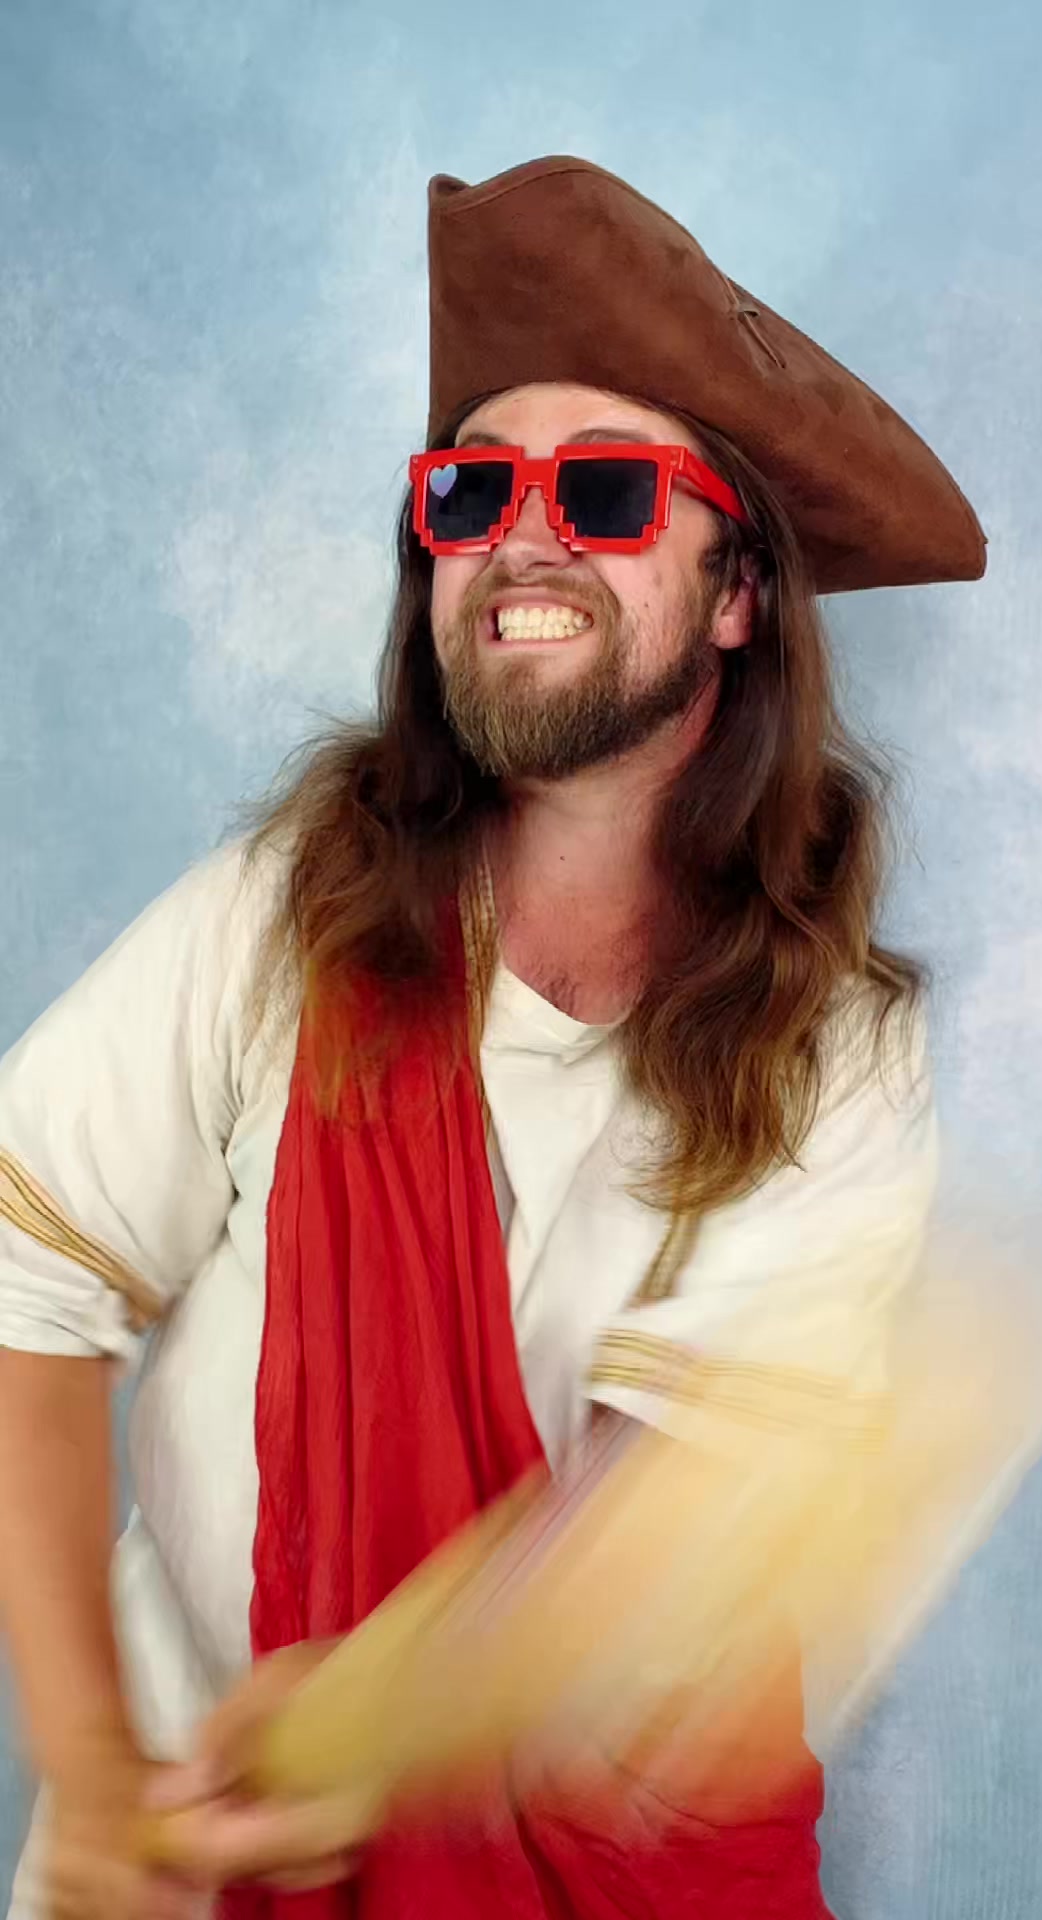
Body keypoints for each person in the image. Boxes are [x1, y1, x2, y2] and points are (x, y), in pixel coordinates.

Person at [0, 154, 986, 1920]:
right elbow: (26, 1287)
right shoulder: (281, 911)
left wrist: (378, 1709)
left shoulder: (836, 1054)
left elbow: (658, 1523)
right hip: (183, 1861)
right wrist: (90, 1771)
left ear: (740, 593)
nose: (522, 537)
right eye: (469, 489)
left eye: (604, 488)